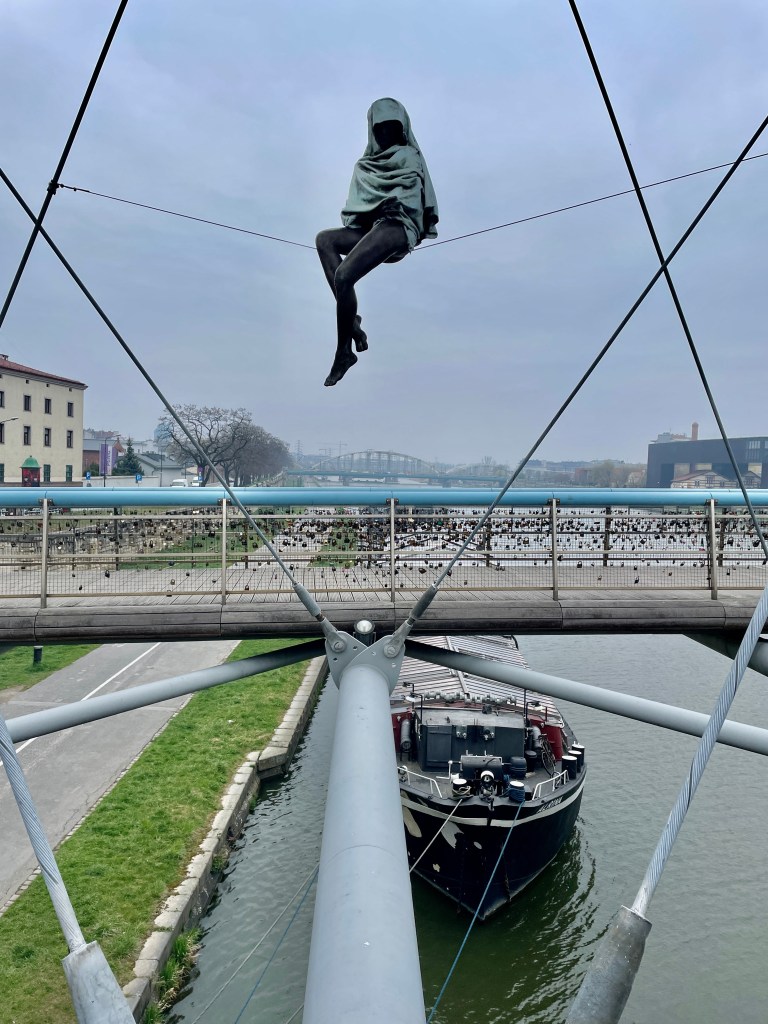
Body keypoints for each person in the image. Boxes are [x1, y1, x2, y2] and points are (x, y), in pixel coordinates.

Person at [315, 97, 438, 386]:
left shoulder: (409, 156)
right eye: (379, 128)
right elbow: (357, 212)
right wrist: (375, 210)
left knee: (343, 276)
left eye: (391, 127)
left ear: (402, 128)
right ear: (372, 130)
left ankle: (344, 352)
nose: (385, 133)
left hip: (397, 227)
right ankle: (352, 323)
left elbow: (408, 201)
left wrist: (385, 209)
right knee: (324, 240)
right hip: (371, 228)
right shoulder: (365, 165)